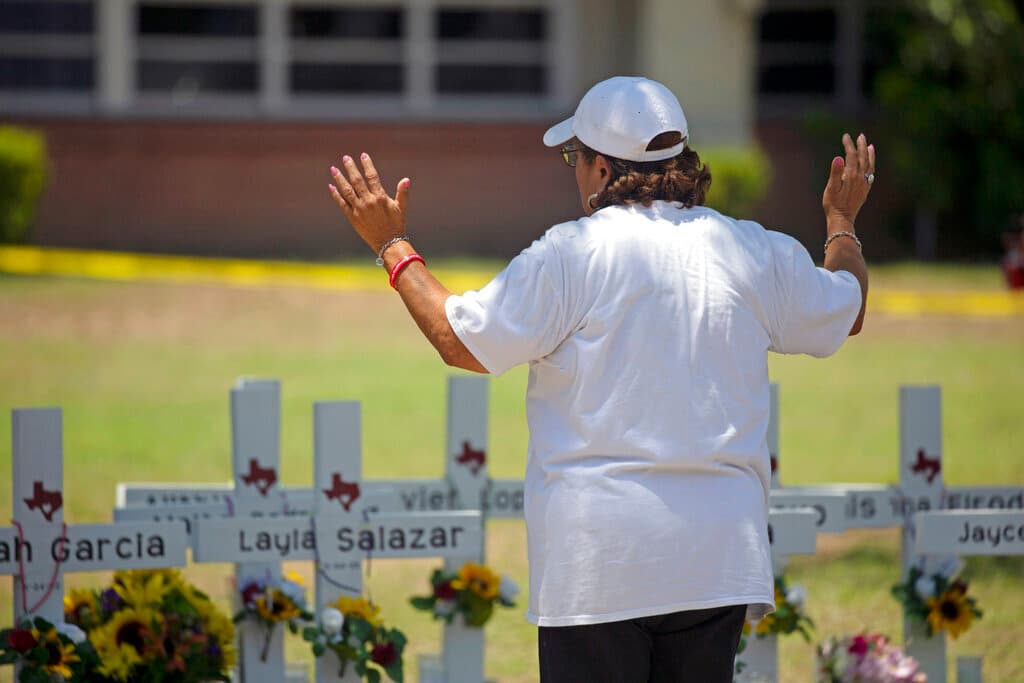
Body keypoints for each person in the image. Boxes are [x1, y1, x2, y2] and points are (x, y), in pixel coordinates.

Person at [327, 76, 872, 683]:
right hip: (716, 559)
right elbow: (846, 309)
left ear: (599, 168)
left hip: (600, 563)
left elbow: (461, 341)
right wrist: (841, 220)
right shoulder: (749, 249)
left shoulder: (571, 254)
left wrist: (391, 246)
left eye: (573, 157)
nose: (573, 171)